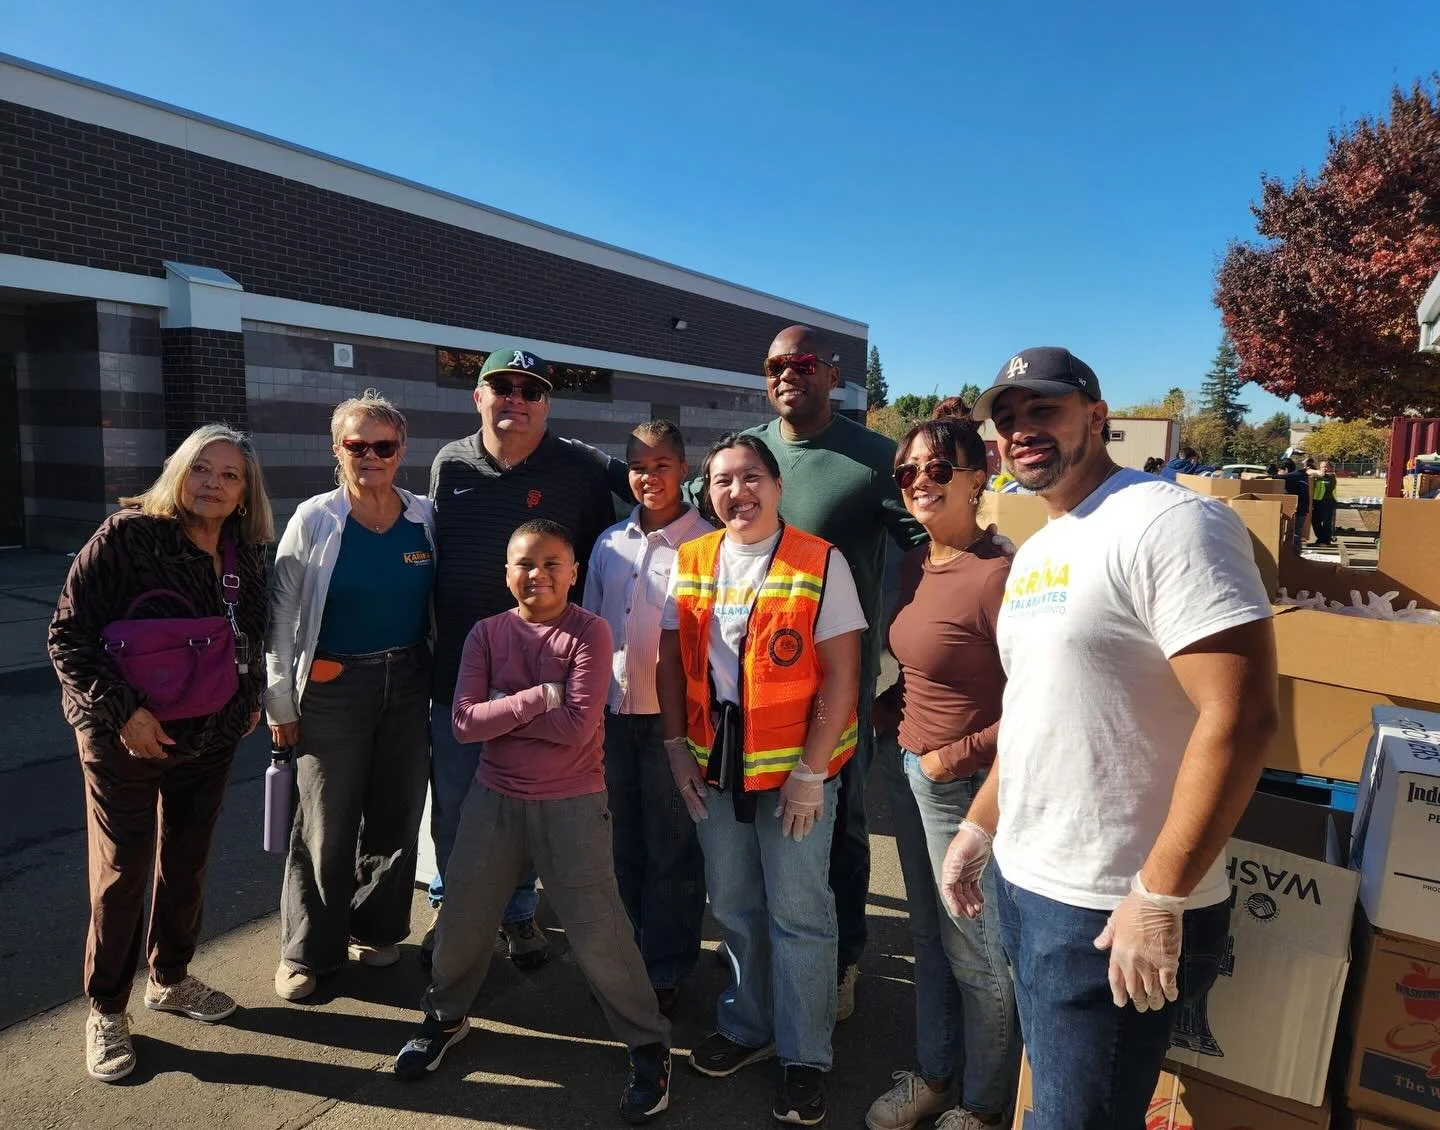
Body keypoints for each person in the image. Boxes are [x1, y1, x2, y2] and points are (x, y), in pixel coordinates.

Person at [944, 347, 1278, 1130]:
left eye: (1043, 410)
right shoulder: (1043, 547)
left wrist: (1157, 894)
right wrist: (979, 826)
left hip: (1111, 905)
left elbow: (1242, 716)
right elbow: (1038, 713)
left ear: (1097, 419)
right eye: (1007, 418)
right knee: (1060, 1104)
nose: (1021, 429)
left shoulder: (1171, 524)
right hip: (1029, 886)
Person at [582, 325, 924, 1019]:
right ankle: (762, 969)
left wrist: (916, 669)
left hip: (832, 694)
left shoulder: (873, 459)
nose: (787, 374)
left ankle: (839, 961)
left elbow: (929, 550)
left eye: (802, 363)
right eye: (774, 365)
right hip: (737, 712)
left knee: (840, 840)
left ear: (834, 375)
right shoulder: (752, 448)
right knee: (740, 848)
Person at [393, 519, 673, 1126]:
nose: (537, 575)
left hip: (572, 802)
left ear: (573, 572)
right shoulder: (486, 633)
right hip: (494, 798)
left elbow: (576, 726)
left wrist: (505, 707)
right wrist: (538, 697)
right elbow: (465, 724)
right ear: (507, 574)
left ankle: (649, 1045)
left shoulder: (591, 633)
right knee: (463, 915)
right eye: (524, 564)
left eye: (551, 564)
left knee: (599, 931)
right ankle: (445, 1016)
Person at [49, 424, 274, 1082]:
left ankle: (170, 978)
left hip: (209, 734)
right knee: (122, 873)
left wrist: (249, 697)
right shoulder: (127, 537)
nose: (213, 483)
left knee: (187, 862)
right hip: (124, 735)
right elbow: (69, 637)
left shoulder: (244, 550)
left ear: (244, 492)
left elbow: (250, 636)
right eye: (201, 468)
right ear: (179, 471)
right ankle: (107, 1009)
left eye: (229, 475)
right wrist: (125, 715)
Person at [658, 432, 866, 1127]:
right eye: (722, 481)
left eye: (752, 478)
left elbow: (842, 675)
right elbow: (668, 660)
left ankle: (805, 1056)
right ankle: (747, 1026)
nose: (737, 492)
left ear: (777, 488)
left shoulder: (819, 560)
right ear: (707, 491)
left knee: (801, 916)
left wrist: (811, 773)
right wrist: (674, 750)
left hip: (793, 777)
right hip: (715, 770)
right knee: (738, 907)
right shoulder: (689, 559)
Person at [427, 346, 615, 969]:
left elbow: (617, 538)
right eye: (500, 386)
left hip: (548, 676)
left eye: (530, 390)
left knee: (528, 801)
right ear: (477, 396)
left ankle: (515, 913)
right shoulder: (448, 464)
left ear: (546, 404)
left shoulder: (580, 469)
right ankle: (454, 914)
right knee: (457, 804)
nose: (515, 398)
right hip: (461, 668)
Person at [866, 417, 1020, 1130]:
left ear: (978, 476)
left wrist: (946, 759)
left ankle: (984, 1105)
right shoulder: (916, 564)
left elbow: (1038, 706)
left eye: (937, 468)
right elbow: (920, 667)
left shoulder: (1001, 576)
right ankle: (934, 1072)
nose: (921, 482)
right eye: (907, 473)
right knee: (929, 938)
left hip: (965, 787)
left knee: (978, 956)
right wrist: (886, 718)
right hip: (909, 769)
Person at [266, 392, 436, 1001]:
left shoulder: (425, 517)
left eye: (383, 446)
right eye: (356, 445)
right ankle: (307, 952)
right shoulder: (315, 518)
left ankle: (378, 928)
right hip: (334, 686)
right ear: (336, 449)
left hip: (410, 679)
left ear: (401, 451)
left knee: (396, 814)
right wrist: (279, 700)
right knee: (325, 822)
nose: (370, 456)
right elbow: (281, 616)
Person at [583, 420, 713, 1015]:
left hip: (673, 725)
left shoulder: (709, 546)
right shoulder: (609, 543)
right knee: (620, 846)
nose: (649, 475)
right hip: (611, 718)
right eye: (638, 464)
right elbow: (585, 630)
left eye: (662, 464)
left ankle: (667, 968)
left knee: (673, 850)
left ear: (684, 469)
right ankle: (629, 955)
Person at [1278, 458, 1310, 553]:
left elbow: (1276, 477)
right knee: (1296, 533)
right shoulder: (1300, 475)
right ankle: (1296, 553)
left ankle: (1295, 554)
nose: (1279, 473)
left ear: (1286, 469)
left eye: (1280, 470)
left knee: (1294, 533)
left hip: (1297, 510)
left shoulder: (1292, 476)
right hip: (1302, 509)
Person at [1308, 459, 1339, 546]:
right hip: (1317, 502)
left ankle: (1325, 541)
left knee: (1326, 522)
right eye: (1322, 467)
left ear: (1330, 468)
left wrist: (1315, 472)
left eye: (1326, 467)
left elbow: (1311, 472)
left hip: (1328, 502)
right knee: (1315, 521)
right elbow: (1308, 472)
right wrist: (1316, 472)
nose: (1324, 469)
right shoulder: (1317, 475)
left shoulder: (1331, 476)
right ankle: (1321, 539)